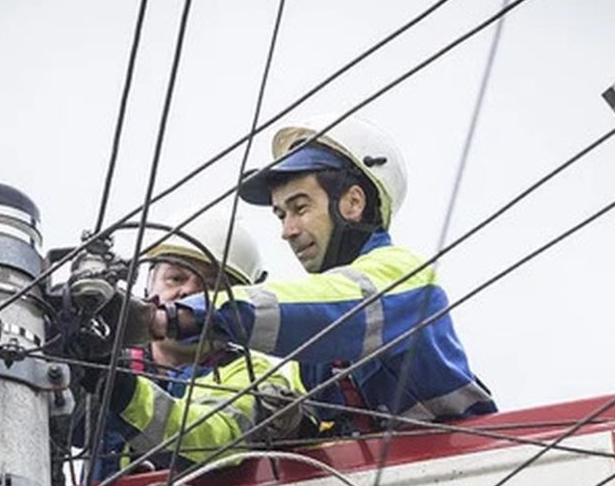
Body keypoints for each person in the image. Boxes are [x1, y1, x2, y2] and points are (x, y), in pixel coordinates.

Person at [150, 115, 496, 433]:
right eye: (280, 215)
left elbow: (326, 308)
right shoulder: (311, 358)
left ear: (353, 203)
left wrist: (183, 316)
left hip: (471, 476)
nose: (287, 230)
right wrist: (297, 425)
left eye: (300, 208)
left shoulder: (404, 277)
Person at [88, 215, 314, 478]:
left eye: (210, 286)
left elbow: (218, 437)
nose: (190, 293)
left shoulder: (254, 375)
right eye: (175, 278)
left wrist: (121, 391)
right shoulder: (111, 360)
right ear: (149, 285)